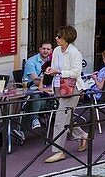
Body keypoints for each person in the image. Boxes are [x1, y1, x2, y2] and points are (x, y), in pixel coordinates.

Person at [45, 25, 87, 162]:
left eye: (59, 36)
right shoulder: (57, 50)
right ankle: (81, 135)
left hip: (72, 88)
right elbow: (55, 66)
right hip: (58, 86)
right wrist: (51, 70)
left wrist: (59, 72)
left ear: (66, 38)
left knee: (60, 119)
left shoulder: (75, 52)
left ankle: (59, 151)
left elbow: (76, 72)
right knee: (66, 116)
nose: (56, 38)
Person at [22, 42, 54, 129]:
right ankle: (35, 119)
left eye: (48, 49)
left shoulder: (52, 61)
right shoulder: (31, 61)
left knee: (60, 95)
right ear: (40, 49)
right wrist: (46, 79)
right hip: (32, 90)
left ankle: (66, 121)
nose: (45, 51)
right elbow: (36, 81)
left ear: (51, 51)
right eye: (43, 49)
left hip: (47, 90)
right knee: (35, 96)